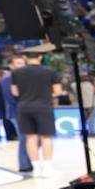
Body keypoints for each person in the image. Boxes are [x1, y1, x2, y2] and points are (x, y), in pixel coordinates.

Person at [9, 44, 62, 177]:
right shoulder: (50, 71)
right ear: (40, 57)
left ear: (25, 58)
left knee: (30, 137)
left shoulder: (16, 72)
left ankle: (36, 169)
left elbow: (14, 92)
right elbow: (57, 91)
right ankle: (48, 168)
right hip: (43, 106)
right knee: (46, 137)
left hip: (24, 107)